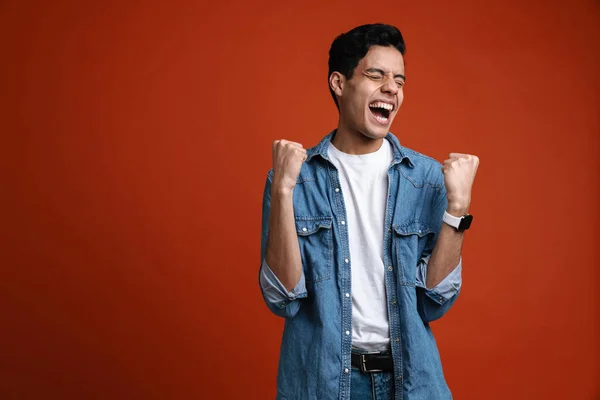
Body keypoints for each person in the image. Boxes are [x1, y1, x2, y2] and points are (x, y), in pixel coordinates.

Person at [259, 23, 479, 400]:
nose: (392, 88)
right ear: (339, 84)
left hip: (410, 383)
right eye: (376, 75)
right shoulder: (296, 179)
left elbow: (434, 301)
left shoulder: (426, 180)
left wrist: (457, 209)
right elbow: (283, 298)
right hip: (323, 385)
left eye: (400, 80)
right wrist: (283, 190)